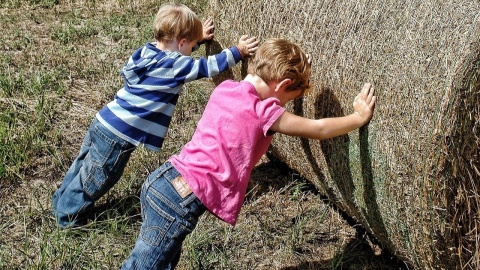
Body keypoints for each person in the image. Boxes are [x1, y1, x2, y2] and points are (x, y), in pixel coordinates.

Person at [121, 38, 377, 269]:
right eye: (292, 95)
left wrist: (294, 71)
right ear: (284, 83)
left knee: (161, 260)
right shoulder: (263, 112)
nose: (285, 105)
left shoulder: (227, 88)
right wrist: (357, 117)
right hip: (180, 200)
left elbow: (270, 93)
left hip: (164, 180)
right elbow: (318, 129)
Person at [51, 2, 259, 229]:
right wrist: (237, 51)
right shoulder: (175, 65)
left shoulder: (147, 50)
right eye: (190, 45)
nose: (192, 51)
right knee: (97, 177)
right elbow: (207, 67)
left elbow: (177, 54)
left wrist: (197, 40)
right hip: (119, 134)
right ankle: (68, 219)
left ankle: (60, 201)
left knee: (82, 165)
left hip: (105, 120)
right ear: (181, 43)